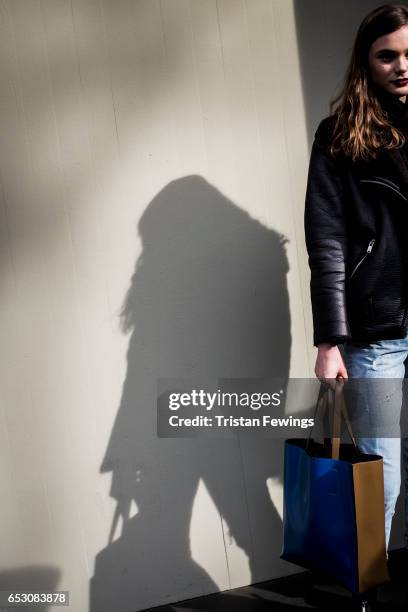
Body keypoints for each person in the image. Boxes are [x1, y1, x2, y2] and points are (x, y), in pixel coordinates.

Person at [304, 3, 408, 554]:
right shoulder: (340, 137)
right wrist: (330, 340)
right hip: (378, 327)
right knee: (381, 463)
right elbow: (326, 242)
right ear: (366, 63)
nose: (401, 65)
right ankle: (367, 575)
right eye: (387, 55)